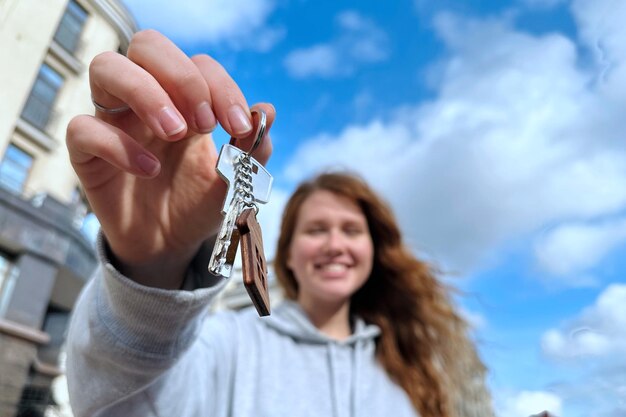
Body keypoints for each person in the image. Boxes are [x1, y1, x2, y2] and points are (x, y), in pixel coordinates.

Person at [65, 30, 495, 417]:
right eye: (315, 229)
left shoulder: (408, 370)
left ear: (374, 250)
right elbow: (120, 406)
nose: (334, 244)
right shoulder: (226, 344)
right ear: (287, 252)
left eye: (351, 230)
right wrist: (153, 266)